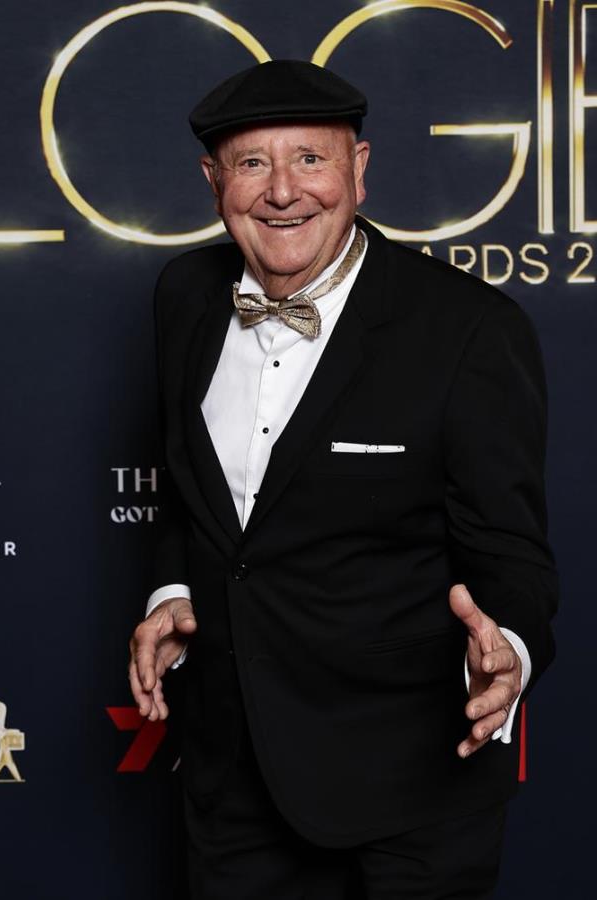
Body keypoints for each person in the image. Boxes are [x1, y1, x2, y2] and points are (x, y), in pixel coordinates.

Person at [128, 60, 558, 899]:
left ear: (359, 169)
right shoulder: (182, 296)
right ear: (213, 181)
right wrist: (173, 591)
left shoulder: (469, 330)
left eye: (311, 160)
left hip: (411, 787)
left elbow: (511, 551)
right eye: (253, 163)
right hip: (230, 777)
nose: (283, 191)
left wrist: (508, 649)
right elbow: (195, 495)